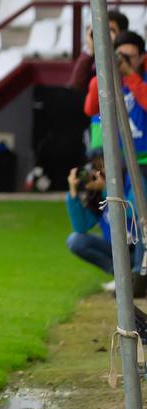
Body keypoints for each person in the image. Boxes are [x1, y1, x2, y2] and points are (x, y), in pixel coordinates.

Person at [66, 151, 144, 295]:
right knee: (75, 240)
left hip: (139, 251)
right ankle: (123, 278)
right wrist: (73, 193)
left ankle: (138, 278)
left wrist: (107, 189)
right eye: (95, 168)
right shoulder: (96, 196)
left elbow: (134, 212)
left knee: (142, 226)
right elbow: (81, 227)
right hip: (119, 251)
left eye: (102, 166)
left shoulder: (131, 181)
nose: (98, 172)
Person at [84, 31, 147, 168]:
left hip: (143, 160)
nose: (124, 60)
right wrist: (104, 73)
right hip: (115, 160)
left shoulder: (144, 78)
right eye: (120, 55)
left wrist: (130, 75)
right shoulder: (108, 80)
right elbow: (90, 109)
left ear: (142, 57)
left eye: (130, 56)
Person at [71, 9, 130, 94]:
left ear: (122, 34)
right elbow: (76, 85)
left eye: (111, 30)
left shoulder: (129, 55)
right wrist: (91, 51)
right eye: (102, 29)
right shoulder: (93, 56)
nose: (104, 34)